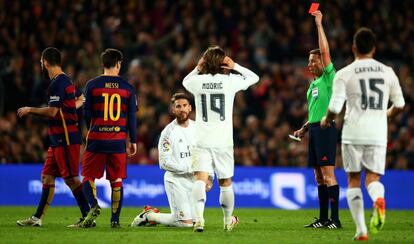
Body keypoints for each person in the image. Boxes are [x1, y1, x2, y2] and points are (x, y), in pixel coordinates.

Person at [321, 27, 405, 240]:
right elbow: (400, 104)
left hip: (353, 133)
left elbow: (335, 108)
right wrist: (385, 114)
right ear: (374, 49)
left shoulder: (345, 73)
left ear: (353, 48)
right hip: (378, 133)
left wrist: (326, 120)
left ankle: (361, 230)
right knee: (374, 178)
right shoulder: (387, 71)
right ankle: (378, 198)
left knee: (353, 180)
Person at [183, 46, 259, 232]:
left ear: (205, 62)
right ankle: (227, 221)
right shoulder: (230, 81)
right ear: (223, 63)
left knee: (200, 180)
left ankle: (199, 219)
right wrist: (235, 66)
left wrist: (197, 68)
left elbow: (185, 82)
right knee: (225, 183)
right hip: (223, 141)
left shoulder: (197, 82)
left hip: (201, 139)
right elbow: (254, 78)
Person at [16, 47, 90, 227]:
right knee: (47, 176)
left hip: (65, 138)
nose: (41, 65)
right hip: (57, 138)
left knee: (71, 178)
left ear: (46, 62)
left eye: (41, 62)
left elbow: (52, 112)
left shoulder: (58, 83)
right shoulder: (66, 81)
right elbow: (81, 98)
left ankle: (88, 215)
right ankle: (37, 218)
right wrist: (70, 108)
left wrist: (30, 110)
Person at [130, 92, 213, 228]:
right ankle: (149, 216)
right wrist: (189, 169)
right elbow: (164, 163)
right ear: (173, 110)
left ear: (190, 108)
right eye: (178, 106)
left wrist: (209, 176)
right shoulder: (168, 133)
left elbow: (206, 153)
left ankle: (152, 216)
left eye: (185, 105)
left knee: (192, 221)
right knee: (185, 224)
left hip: (195, 180)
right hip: (176, 181)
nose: (182, 109)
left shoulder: (198, 128)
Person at [293, 10, 341, 229]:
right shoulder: (313, 84)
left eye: (313, 60)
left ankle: (335, 219)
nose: (309, 64)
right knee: (319, 178)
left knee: (329, 175)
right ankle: (323, 219)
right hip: (314, 129)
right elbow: (314, 112)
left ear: (323, 61)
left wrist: (319, 24)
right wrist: (303, 129)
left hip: (326, 129)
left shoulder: (329, 78)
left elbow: (325, 50)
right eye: (308, 61)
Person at [80, 48, 137, 228]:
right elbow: (132, 118)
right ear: (119, 64)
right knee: (116, 180)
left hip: (96, 138)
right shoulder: (128, 88)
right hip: (118, 140)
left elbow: (86, 113)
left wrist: (94, 127)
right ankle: (115, 220)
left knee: (88, 176)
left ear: (103, 64)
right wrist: (133, 140)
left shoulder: (92, 85)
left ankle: (94, 206)